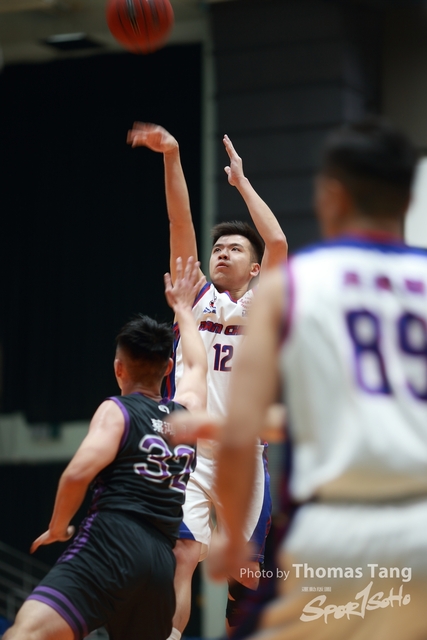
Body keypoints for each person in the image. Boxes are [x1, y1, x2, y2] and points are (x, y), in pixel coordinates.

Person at [204, 117, 427, 639]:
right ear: (408, 198)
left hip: (335, 527)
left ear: (331, 196)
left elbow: (242, 428)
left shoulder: (295, 284)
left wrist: (232, 537)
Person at [127, 123, 288, 636]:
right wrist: (171, 155)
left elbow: (278, 241)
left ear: (256, 268)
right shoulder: (194, 298)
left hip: (244, 454)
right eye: (218, 248)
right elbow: (180, 219)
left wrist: (240, 182)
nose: (221, 253)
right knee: (182, 554)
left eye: (235, 249)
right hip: (191, 451)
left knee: (247, 576)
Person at [4, 257, 207, 640]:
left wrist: (58, 527)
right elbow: (197, 367)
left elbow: (77, 474)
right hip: (158, 563)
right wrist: (184, 308)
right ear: (168, 369)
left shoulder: (117, 410)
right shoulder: (187, 416)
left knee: (26, 632)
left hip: (112, 541)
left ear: (118, 368)